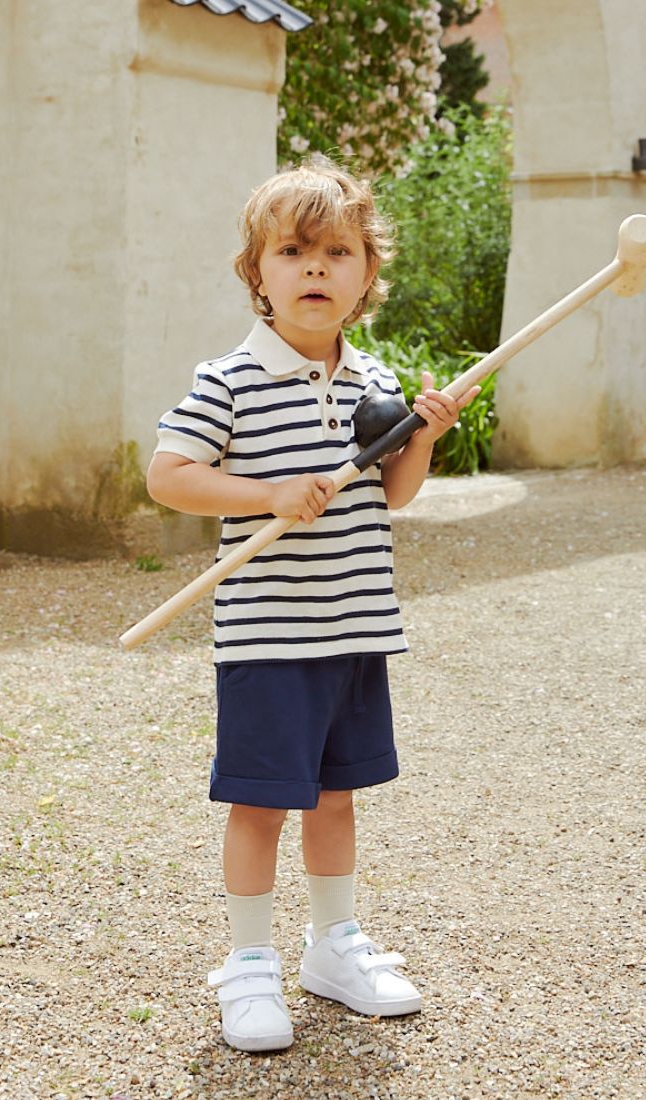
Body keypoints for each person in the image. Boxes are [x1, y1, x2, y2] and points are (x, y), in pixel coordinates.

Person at [147, 156, 478, 1053]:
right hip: (269, 638)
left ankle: (334, 945)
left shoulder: (374, 382)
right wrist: (266, 493)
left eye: (338, 252)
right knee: (260, 804)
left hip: (356, 626)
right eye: (293, 251)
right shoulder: (228, 380)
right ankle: (248, 964)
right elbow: (169, 475)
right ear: (258, 272)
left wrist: (424, 437)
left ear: (368, 273)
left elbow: (393, 495)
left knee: (337, 799)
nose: (317, 268)